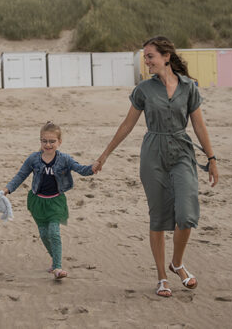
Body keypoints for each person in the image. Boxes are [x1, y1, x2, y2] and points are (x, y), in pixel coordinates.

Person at [93, 36, 219, 297]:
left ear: (166, 57)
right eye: (145, 57)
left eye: (150, 56)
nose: (147, 61)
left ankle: (177, 263)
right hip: (153, 155)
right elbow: (127, 124)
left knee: (186, 213)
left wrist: (212, 158)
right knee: (159, 217)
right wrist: (105, 155)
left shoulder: (189, 87)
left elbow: (199, 125)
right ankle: (162, 277)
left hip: (182, 152)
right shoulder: (144, 89)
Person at [3, 121, 96, 280]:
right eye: (44, 141)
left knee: (54, 232)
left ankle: (58, 268)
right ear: (40, 141)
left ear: (59, 142)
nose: (48, 144)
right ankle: (55, 260)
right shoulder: (33, 159)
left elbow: (81, 169)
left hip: (56, 202)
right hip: (37, 202)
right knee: (44, 234)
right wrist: (7, 189)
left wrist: (93, 168)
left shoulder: (64, 159)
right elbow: (21, 175)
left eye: (52, 141)